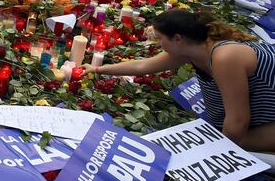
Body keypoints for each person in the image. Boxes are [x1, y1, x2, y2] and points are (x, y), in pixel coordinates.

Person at [83, 9, 275, 152]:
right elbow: (142, 66)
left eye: (159, 38)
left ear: (177, 38)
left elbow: (238, 120)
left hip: (265, 122)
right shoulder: (192, 51)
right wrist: (98, 69)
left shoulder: (225, 57)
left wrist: (216, 153)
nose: (158, 44)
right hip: (256, 120)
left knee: (214, 143)